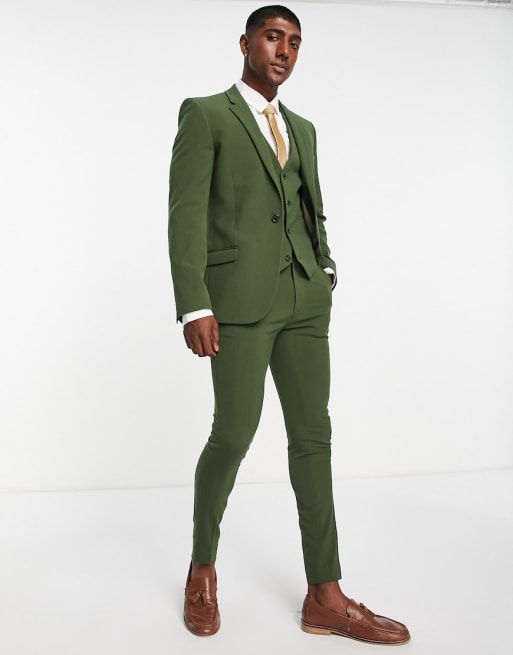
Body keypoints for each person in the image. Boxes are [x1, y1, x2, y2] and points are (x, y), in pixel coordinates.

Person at [168, 5, 410, 644]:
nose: (284, 51)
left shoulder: (301, 128)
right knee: (233, 434)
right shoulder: (206, 115)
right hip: (237, 304)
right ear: (245, 42)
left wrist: (323, 267)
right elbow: (185, 213)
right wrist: (194, 303)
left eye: (295, 43)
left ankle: (325, 594)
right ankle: (201, 569)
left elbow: (309, 206)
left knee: (313, 438)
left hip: (305, 299)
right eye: (273, 37)